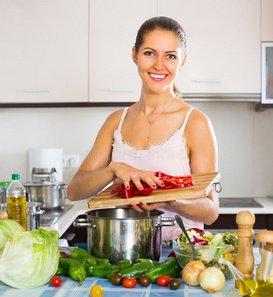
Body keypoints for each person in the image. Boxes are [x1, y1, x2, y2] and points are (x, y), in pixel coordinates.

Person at [67, 16, 219, 241]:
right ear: (134, 55)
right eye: (149, 53)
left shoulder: (196, 122)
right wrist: (115, 169)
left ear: (182, 61)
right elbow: (75, 190)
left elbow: (211, 211)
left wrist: (170, 199)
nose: (159, 65)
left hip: (179, 254)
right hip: (122, 250)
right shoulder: (115, 122)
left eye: (170, 56)